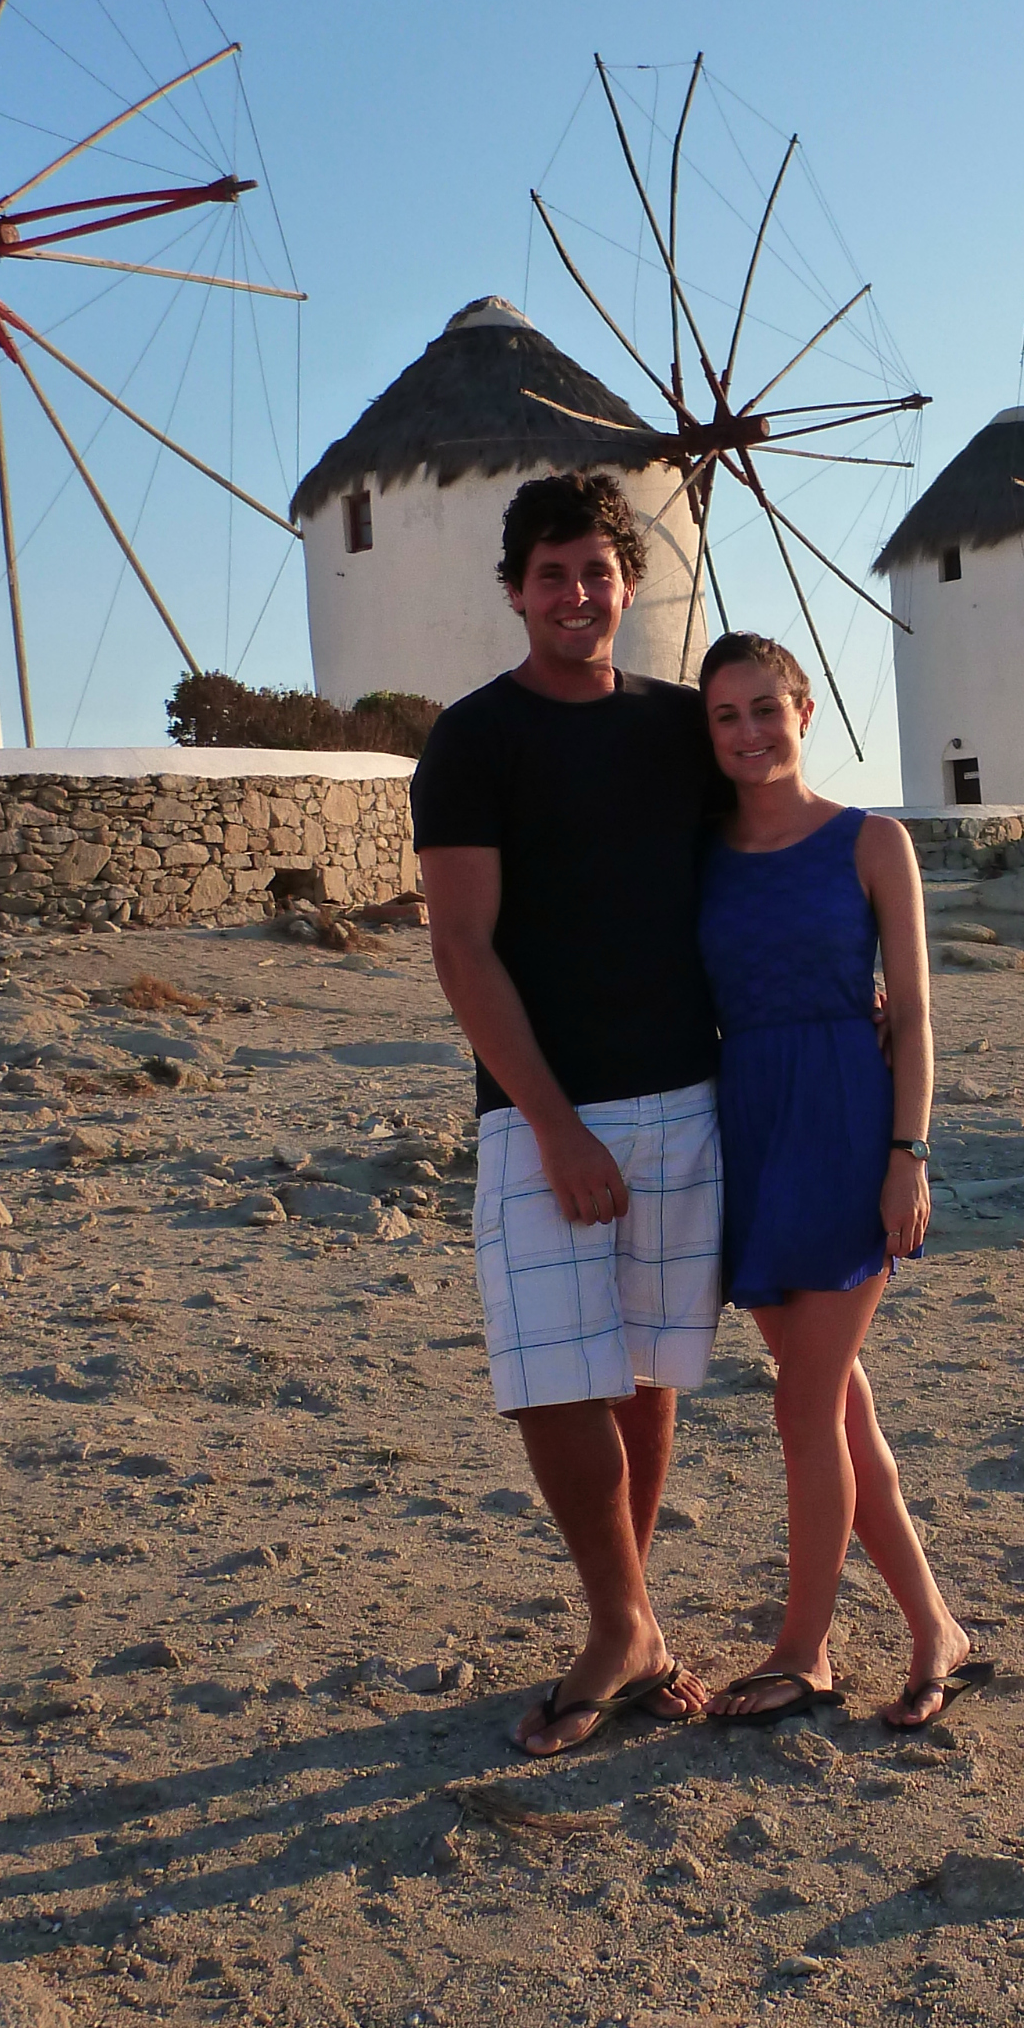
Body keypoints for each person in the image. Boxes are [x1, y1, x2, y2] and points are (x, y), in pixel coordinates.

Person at [411, 469, 722, 1756]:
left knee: (642, 1371)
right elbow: (462, 946)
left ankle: (626, 1626)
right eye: (551, 574)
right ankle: (623, 1622)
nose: (576, 594)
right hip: (541, 1111)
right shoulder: (474, 739)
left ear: (629, 582)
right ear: (515, 589)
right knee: (551, 1378)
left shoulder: (681, 726)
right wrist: (553, 1124)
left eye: (597, 569)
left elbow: (758, 865)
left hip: (686, 1091)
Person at [695, 631, 986, 1731]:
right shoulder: (701, 851)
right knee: (840, 1407)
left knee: (804, 1402)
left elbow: (913, 1012)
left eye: (765, 707)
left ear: (804, 710)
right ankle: (936, 1627)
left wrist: (909, 1152)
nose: (749, 731)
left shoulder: (872, 839)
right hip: (746, 1123)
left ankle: (802, 1650)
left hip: (845, 1124)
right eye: (725, 715)